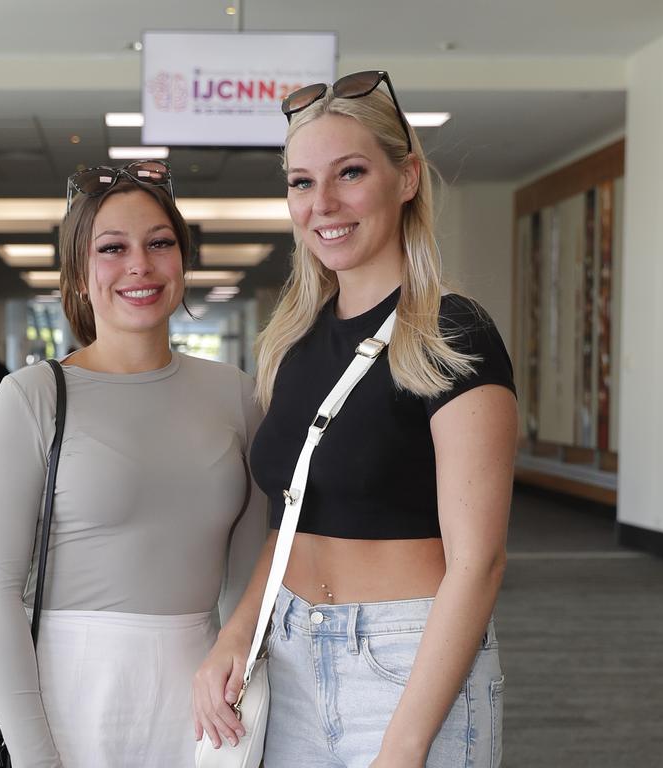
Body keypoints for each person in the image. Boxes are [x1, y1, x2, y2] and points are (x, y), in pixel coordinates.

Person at [192, 71, 517, 768]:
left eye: (350, 173)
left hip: (408, 664)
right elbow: (290, 519)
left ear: (406, 179)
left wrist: (405, 742)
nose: (323, 204)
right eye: (302, 183)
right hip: (288, 653)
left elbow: (478, 562)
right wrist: (236, 634)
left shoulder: (451, 334)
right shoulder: (293, 340)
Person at [0, 161, 267, 767]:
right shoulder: (32, 396)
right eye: (113, 248)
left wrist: (244, 689)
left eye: (160, 243)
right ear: (79, 275)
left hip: (205, 695)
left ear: (182, 260)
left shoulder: (235, 394)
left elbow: (250, 573)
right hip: (67, 693)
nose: (140, 265)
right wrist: (33, 758)